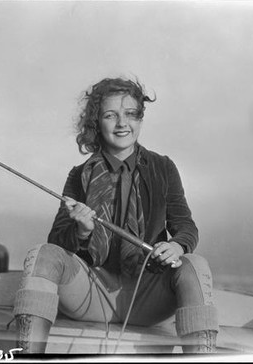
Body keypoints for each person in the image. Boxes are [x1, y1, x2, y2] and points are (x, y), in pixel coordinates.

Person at [13, 77, 219, 354]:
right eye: (111, 115)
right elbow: (56, 242)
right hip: (91, 294)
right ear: (97, 122)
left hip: (146, 297)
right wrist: (81, 231)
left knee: (195, 263)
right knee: (42, 254)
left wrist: (176, 245)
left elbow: (186, 227)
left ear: (140, 120)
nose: (122, 123)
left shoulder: (164, 167)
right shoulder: (78, 175)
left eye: (130, 114)